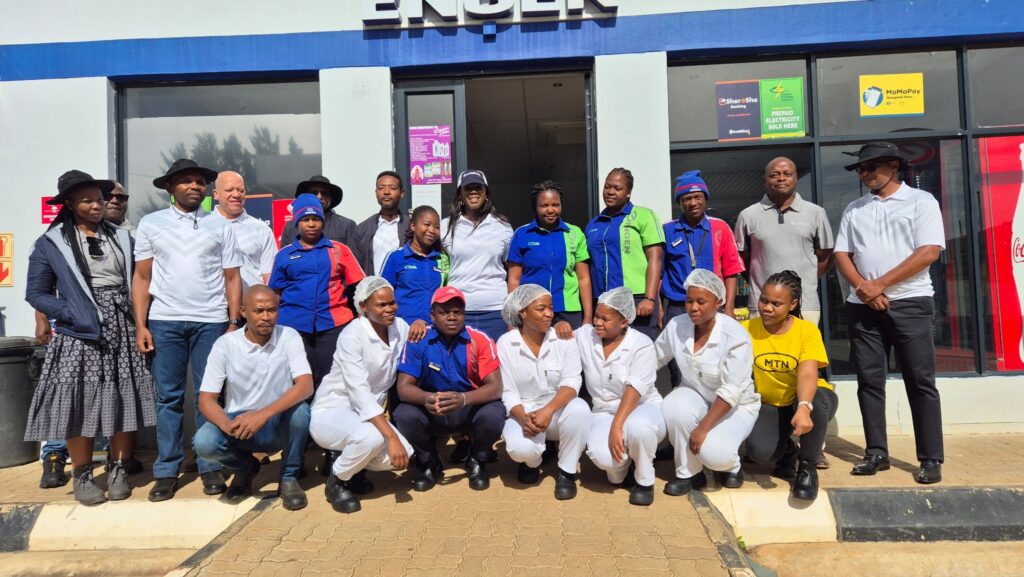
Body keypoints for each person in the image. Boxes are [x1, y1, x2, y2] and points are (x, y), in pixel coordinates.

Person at [25, 170, 156, 505]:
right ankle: (82, 473)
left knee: (122, 396)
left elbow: (140, 279)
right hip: (77, 332)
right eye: (88, 200)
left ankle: (119, 468)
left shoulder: (123, 237)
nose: (98, 205)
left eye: (100, 199)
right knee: (78, 402)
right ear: (70, 204)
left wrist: (138, 320)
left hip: (122, 325)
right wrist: (69, 311)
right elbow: (36, 293)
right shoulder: (51, 243)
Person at [133, 159, 243, 503]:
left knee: (208, 396)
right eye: (185, 182)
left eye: (199, 181)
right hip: (165, 321)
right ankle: (167, 469)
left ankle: (209, 465)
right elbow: (142, 278)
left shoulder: (220, 225)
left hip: (211, 320)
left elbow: (232, 277)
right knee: (168, 397)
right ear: (170, 188)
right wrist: (141, 324)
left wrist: (232, 322)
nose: (194, 187)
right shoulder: (151, 224)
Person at [835, 142, 945, 484]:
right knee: (869, 381)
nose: (866, 174)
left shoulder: (921, 202)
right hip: (864, 307)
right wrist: (865, 291)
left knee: (920, 381)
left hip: (910, 302)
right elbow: (842, 254)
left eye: (872, 167)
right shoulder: (855, 209)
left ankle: (930, 458)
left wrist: (879, 284)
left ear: (894, 166)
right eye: (862, 169)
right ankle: (876, 453)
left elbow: (928, 252)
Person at [193, 285, 313, 510]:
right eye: (259, 311)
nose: (266, 317)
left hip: (277, 420)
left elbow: (305, 385)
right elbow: (206, 399)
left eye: (272, 310)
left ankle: (288, 477)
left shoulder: (289, 336)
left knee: (301, 412)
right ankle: (245, 469)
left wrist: (263, 414)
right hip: (240, 423)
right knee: (204, 442)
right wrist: (227, 425)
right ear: (242, 312)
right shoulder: (226, 344)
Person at [309, 277, 414, 513]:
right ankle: (337, 480)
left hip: (366, 415)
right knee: (373, 438)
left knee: (403, 455)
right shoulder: (352, 335)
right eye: (381, 305)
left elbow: (417, 345)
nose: (389, 309)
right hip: (333, 410)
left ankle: (353, 468)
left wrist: (420, 325)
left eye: (392, 303)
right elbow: (359, 394)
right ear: (364, 306)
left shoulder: (400, 327)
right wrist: (392, 437)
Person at [655, 269, 760, 495]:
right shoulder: (677, 325)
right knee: (674, 406)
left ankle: (731, 466)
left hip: (735, 405)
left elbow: (731, 392)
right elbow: (655, 357)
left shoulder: (736, 336)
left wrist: (702, 428)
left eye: (701, 302)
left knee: (715, 454)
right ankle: (689, 474)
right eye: (689, 301)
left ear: (719, 302)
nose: (693, 307)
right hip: (696, 394)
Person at [392, 287, 505, 492]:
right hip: (433, 408)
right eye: (444, 312)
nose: (452, 317)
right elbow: (403, 388)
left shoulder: (479, 339)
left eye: (457, 312)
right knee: (404, 414)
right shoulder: (419, 340)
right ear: (432, 315)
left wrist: (463, 399)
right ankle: (429, 462)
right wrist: (427, 398)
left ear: (464, 314)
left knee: (495, 413)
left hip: (468, 407)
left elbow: (496, 387)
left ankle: (477, 460)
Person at [742, 271, 838, 501]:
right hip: (771, 404)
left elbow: (807, 373)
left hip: (810, 397)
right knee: (760, 453)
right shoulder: (746, 329)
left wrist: (804, 407)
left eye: (776, 303)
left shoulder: (806, 331)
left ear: (792, 304)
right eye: (764, 300)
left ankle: (807, 469)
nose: (767, 307)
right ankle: (788, 452)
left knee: (815, 402)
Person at [498, 284, 592, 500]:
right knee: (521, 451)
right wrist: (523, 418)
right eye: (541, 308)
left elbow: (571, 382)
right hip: (523, 412)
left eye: (550, 308)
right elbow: (508, 390)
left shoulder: (563, 339)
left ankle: (567, 472)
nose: (549, 313)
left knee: (580, 409)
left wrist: (548, 410)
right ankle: (534, 462)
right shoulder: (506, 343)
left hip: (556, 412)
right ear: (523, 312)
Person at [576, 287, 665, 506]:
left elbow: (634, 389)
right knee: (602, 457)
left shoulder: (641, 344)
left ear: (624, 322)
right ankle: (623, 468)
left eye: (605, 319)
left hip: (641, 408)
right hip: (604, 410)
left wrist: (617, 426)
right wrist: (561, 326)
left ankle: (644, 479)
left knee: (638, 429)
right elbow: (560, 339)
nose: (597, 322)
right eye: (597, 315)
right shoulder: (586, 336)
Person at [269, 193, 366, 389]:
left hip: (334, 326)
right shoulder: (284, 255)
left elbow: (360, 287)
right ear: (297, 222)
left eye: (316, 219)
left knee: (332, 382)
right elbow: (275, 294)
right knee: (297, 383)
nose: (311, 224)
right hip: (294, 327)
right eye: (305, 219)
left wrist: (359, 318)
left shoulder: (339, 250)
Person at [734, 158, 833, 327]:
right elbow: (742, 258)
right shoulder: (748, 215)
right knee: (762, 353)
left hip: (805, 304)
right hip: (762, 304)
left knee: (803, 353)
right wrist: (760, 277)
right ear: (764, 180)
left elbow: (825, 256)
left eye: (787, 174)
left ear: (795, 178)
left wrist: (804, 279)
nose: (781, 178)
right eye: (774, 174)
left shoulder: (816, 213)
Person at [584, 168, 664, 340]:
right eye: (607, 187)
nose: (610, 192)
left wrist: (650, 298)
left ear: (628, 192)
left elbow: (655, 259)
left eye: (617, 188)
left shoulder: (644, 215)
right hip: (603, 300)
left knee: (640, 352)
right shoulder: (593, 224)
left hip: (637, 299)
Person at [507, 181, 593, 339]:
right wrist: (512, 318)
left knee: (569, 358)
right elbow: (514, 279)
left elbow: (583, 278)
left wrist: (587, 318)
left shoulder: (575, 233)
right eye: (544, 205)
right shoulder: (522, 234)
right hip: (532, 309)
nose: (550, 210)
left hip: (568, 310)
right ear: (535, 207)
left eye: (555, 205)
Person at [440, 170, 514, 342]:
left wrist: (512, 312)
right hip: (457, 310)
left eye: (478, 187)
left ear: (486, 193)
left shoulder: (503, 226)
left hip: (496, 310)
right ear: (460, 195)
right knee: (461, 366)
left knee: (495, 366)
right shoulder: (444, 227)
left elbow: (512, 270)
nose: (473, 192)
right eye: (468, 188)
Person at [662, 170, 744, 320]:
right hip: (678, 307)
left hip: (713, 305)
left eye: (697, 197)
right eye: (687, 199)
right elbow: (659, 274)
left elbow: (731, 271)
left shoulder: (721, 228)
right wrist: (660, 310)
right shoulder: (667, 230)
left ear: (705, 199)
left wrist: (729, 308)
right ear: (679, 202)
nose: (693, 203)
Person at [380, 205, 450, 341]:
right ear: (413, 226)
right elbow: (383, 295)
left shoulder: (443, 259)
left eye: (437, 227)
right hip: (402, 331)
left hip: (435, 331)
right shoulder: (396, 257)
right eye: (427, 224)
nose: (432, 230)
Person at [208, 171, 278, 288]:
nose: (236, 194)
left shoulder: (261, 229)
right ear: (216, 194)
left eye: (241, 190)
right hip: (213, 304)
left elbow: (269, 275)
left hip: (250, 303)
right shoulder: (202, 226)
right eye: (229, 190)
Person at [353, 171, 409, 275]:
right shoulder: (362, 229)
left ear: (401, 194)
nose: (386, 192)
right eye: (381, 188)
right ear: (376, 193)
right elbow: (357, 267)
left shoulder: (410, 226)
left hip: (403, 289)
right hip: (374, 288)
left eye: (392, 188)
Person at [278, 175, 357, 246]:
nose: (319, 196)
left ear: (331, 199)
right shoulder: (290, 226)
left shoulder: (347, 225)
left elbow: (353, 258)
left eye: (324, 193)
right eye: (314, 193)